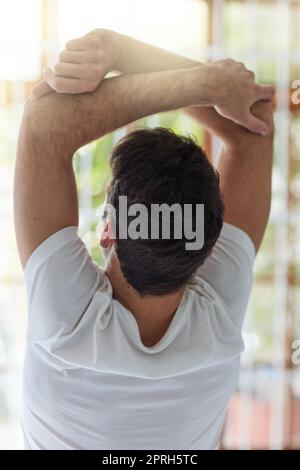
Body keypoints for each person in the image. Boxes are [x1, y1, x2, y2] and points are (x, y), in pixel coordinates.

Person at [14, 29, 274, 450]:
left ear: (108, 231)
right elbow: (253, 122)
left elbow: (46, 120)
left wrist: (205, 83)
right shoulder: (218, 320)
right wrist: (123, 53)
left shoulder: (68, 322)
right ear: (210, 246)